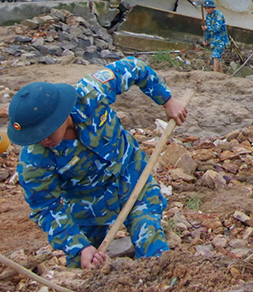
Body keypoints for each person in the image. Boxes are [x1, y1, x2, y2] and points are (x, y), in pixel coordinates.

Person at [6, 58, 188, 269]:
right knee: (83, 268)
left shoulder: (90, 94)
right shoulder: (33, 160)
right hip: (87, 207)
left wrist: (167, 100)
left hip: (134, 182)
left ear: (61, 114)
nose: (43, 140)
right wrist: (79, 246)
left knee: (153, 251)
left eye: (46, 132)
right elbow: (45, 207)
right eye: (35, 136)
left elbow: (134, 68)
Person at [201, 0, 228, 73]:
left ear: (213, 8)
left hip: (221, 39)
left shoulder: (219, 15)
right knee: (217, 57)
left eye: (209, 8)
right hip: (213, 40)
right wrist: (206, 39)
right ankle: (220, 74)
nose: (207, 10)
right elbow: (207, 29)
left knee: (215, 55)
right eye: (206, 8)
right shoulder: (208, 16)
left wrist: (208, 28)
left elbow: (217, 28)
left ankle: (215, 73)